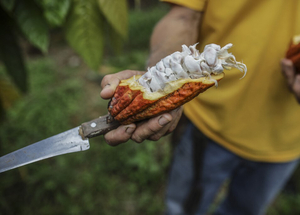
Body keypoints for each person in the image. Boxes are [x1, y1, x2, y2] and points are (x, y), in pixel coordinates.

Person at [100, 1, 300, 214]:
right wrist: (159, 76)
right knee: (183, 209)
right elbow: (183, 16)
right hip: (208, 124)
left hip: (286, 140)